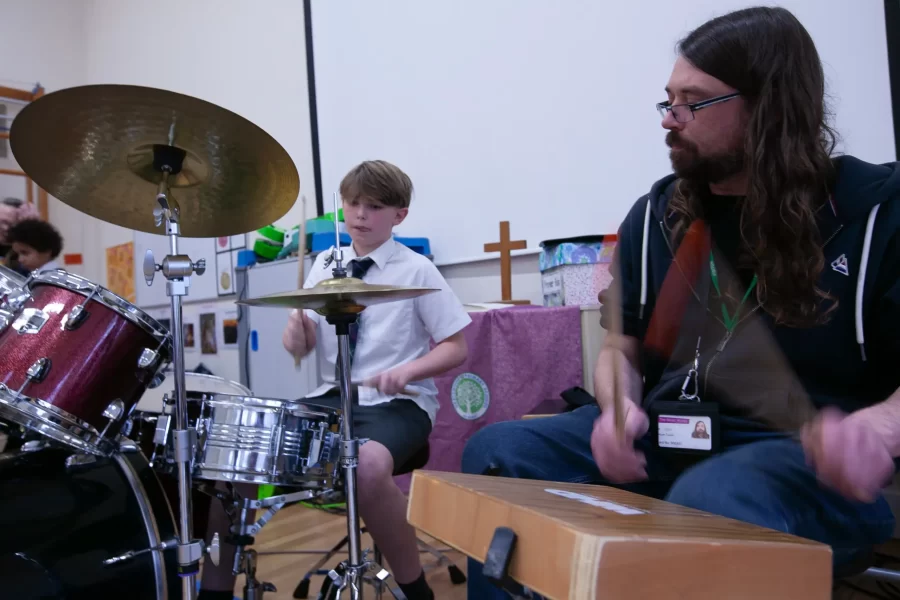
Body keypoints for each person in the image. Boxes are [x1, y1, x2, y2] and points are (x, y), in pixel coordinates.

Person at [461, 6, 900, 597]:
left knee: (713, 501)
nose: (670, 119)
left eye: (693, 102)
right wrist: (618, 410)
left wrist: (876, 430)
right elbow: (620, 344)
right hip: (669, 438)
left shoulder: (876, 212)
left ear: (770, 106)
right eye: (667, 100)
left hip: (803, 463)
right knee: (498, 455)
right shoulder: (658, 215)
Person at [198, 160, 471, 600]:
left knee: (365, 466)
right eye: (353, 203)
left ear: (399, 215)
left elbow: (456, 347)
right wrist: (296, 335)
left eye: (375, 206)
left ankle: (416, 589)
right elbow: (302, 345)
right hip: (330, 397)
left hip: (400, 404)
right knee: (237, 458)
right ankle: (215, 591)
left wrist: (407, 371)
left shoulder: (417, 269)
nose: (360, 214)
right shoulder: (327, 262)